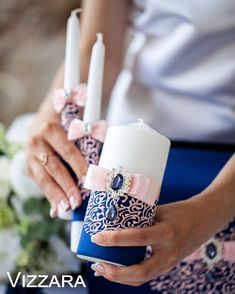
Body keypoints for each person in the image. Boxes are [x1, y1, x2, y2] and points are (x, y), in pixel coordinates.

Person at [26, 0, 235, 293]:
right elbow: (98, 48)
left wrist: (210, 210)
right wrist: (53, 114)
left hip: (223, 167)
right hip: (130, 144)